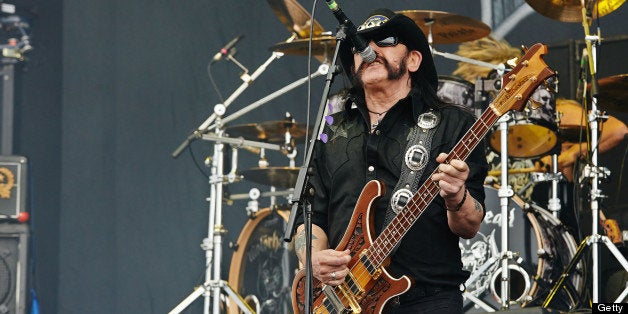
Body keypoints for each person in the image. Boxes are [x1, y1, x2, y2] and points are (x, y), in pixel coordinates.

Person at [293, 8, 488, 313]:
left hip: (427, 300)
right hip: (343, 302)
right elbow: (312, 218)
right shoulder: (331, 130)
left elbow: (470, 225)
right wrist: (312, 259)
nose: (368, 49)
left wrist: (456, 196)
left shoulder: (454, 125)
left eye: (384, 40)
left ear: (413, 60)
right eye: (360, 45)